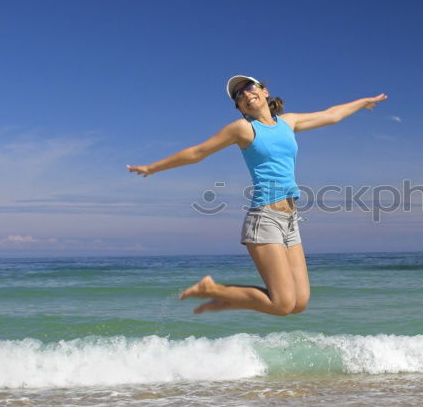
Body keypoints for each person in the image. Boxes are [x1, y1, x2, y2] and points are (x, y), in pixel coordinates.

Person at [127, 75, 388, 315]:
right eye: (238, 96)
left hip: (291, 221)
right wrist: (153, 167)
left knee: (299, 303)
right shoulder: (243, 129)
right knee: (283, 303)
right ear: (240, 108)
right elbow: (198, 152)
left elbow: (331, 115)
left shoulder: (289, 122)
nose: (244, 94)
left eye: (249, 88)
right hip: (264, 218)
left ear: (264, 91)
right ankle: (212, 289)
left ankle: (229, 297)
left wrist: (363, 102)